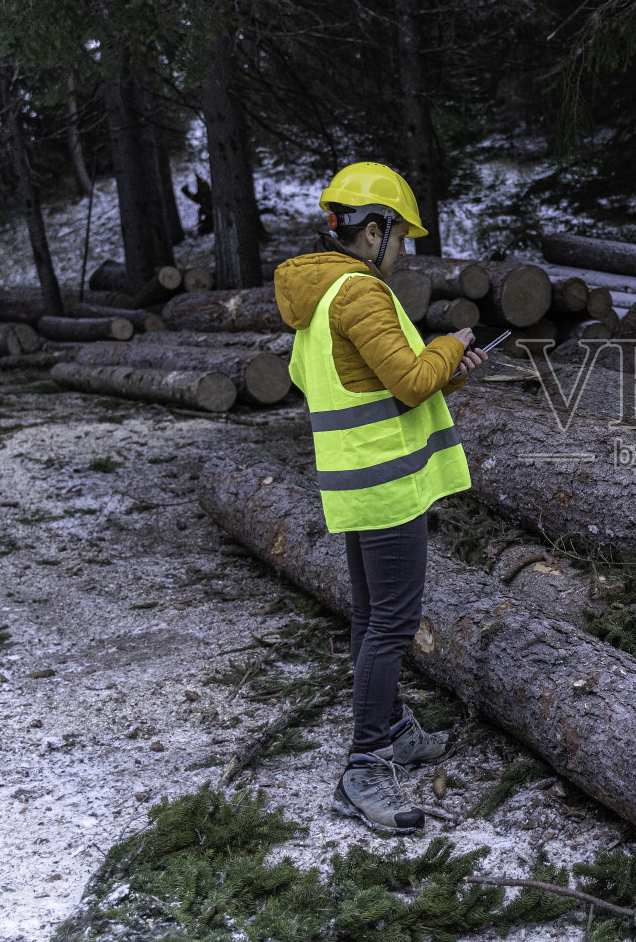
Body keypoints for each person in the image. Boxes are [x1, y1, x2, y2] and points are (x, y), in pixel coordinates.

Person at [273, 161, 487, 833]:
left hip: (357, 481)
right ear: (371, 232)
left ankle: (390, 726)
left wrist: (443, 370)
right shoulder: (360, 293)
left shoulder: (324, 296)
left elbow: (369, 385)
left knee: (372, 618)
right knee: (391, 623)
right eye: (400, 239)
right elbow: (408, 379)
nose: (401, 252)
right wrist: (449, 347)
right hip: (387, 485)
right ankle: (363, 766)